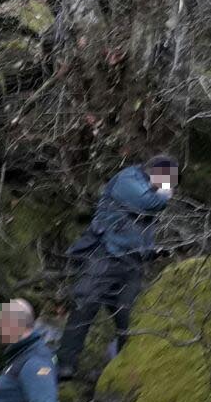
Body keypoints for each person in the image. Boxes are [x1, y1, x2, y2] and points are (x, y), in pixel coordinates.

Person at [53, 156, 177, 381]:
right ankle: (65, 366)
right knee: (84, 307)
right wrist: (165, 193)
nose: (170, 186)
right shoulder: (128, 180)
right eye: (168, 180)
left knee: (129, 321)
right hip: (104, 256)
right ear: (157, 172)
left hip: (131, 265)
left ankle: (122, 372)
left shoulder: (150, 191)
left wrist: (153, 252)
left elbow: (139, 232)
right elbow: (147, 202)